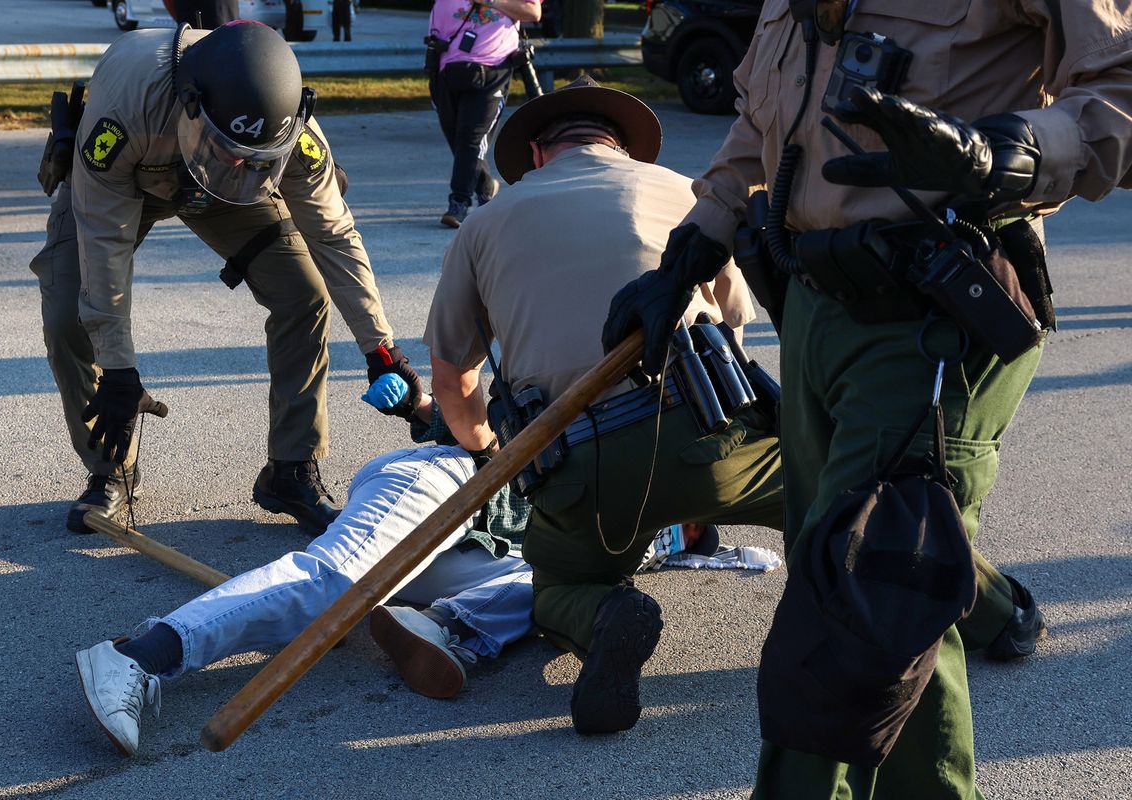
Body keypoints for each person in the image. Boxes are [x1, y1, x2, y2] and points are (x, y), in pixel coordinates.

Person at [601, 2, 1132, 796]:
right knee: (860, 589)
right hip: (814, 306)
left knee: (870, 593)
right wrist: (690, 251)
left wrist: (1003, 153)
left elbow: (1118, 89)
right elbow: (761, 124)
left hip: (932, 311)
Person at [74, 379, 736, 755]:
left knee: (552, 580)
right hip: (445, 483)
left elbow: (662, 545)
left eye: (689, 530)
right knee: (334, 584)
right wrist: (422, 405)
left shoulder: (647, 533)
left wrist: (694, 541)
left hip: (474, 559)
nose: (681, 527)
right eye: (686, 522)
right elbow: (471, 405)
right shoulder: (591, 396)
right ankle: (139, 655)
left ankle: (438, 630)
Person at [422, 76, 786, 735]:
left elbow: (451, 378)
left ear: (536, 154)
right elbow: (734, 326)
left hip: (581, 468)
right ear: (622, 147)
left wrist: (486, 455)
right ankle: (984, 608)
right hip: (715, 430)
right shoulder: (686, 194)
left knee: (556, 589)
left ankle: (602, 617)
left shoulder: (483, 224)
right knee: (853, 507)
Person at [29, 21, 419, 537]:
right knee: (67, 318)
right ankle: (112, 472)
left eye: (256, 158)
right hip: (132, 177)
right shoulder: (124, 114)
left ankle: (291, 469)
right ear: (192, 105)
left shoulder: (290, 133)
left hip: (219, 193)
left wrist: (382, 352)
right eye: (231, 150)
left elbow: (335, 236)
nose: (240, 162)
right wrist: (119, 371)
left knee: (303, 292)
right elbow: (105, 246)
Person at [425, 0, 541, 228]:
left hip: (494, 68)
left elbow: (533, 12)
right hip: (449, 68)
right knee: (457, 138)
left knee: (471, 138)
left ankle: (458, 201)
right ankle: (485, 184)